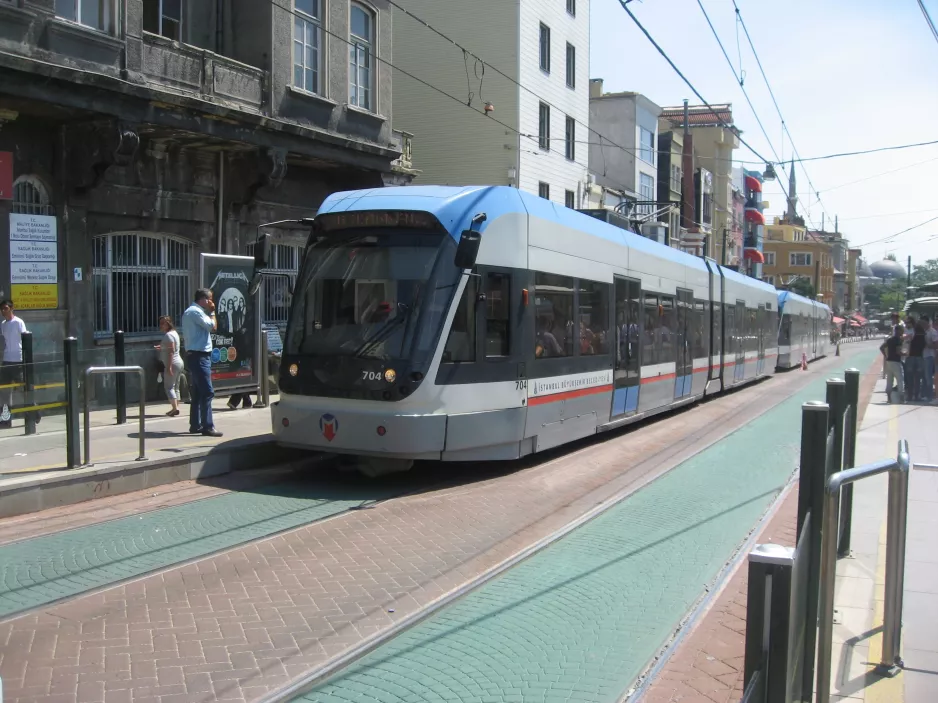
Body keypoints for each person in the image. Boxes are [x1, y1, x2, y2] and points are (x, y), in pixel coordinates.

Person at [181, 288, 223, 437]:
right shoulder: (196, 312)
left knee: (198, 393)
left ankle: (195, 424)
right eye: (210, 299)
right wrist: (212, 312)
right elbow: (213, 326)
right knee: (207, 392)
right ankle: (208, 426)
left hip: (197, 355)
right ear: (204, 299)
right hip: (199, 356)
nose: (212, 302)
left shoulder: (192, 312)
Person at [0, 299, 27, 428]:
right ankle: (6, 419)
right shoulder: (3, 324)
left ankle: (35, 411)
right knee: (5, 391)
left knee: (22, 389)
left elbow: (25, 338)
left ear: (11, 309)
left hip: (18, 360)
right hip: (7, 360)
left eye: (6, 308)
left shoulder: (18, 322)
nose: (3, 311)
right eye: (2, 309)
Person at [154, 315, 184, 417]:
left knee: (169, 387)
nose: (161, 325)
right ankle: (176, 407)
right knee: (176, 386)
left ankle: (175, 408)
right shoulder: (174, 333)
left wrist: (169, 366)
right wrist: (161, 347)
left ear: (169, 323)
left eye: (163, 323)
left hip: (173, 363)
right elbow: (171, 347)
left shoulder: (169, 335)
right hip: (179, 362)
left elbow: (171, 351)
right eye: (160, 323)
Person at [881, 326, 905, 404]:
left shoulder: (890, 340)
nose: (903, 332)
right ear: (899, 331)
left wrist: (886, 355)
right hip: (896, 362)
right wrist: (905, 354)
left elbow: (881, 347)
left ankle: (889, 398)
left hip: (889, 361)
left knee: (889, 381)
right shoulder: (898, 340)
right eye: (902, 330)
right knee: (900, 380)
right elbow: (898, 352)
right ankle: (901, 398)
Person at [908, 320, 927, 401]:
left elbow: (908, 343)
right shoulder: (923, 335)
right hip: (920, 357)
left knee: (910, 378)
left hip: (911, 357)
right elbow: (925, 345)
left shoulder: (912, 334)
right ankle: (916, 395)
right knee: (918, 378)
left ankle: (909, 395)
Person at [923, 315, 937, 402]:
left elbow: (936, 345)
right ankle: (926, 395)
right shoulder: (922, 331)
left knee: (929, 377)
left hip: (931, 356)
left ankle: (930, 396)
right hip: (924, 356)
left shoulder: (933, 332)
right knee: (925, 377)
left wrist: (927, 344)